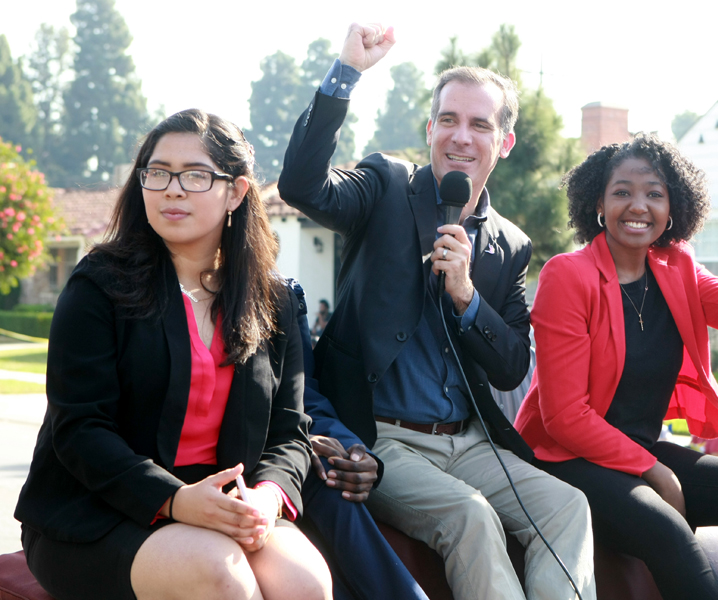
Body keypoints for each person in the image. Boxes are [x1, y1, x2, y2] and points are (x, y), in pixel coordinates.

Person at [278, 22, 595, 600]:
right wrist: (345, 74)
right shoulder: (385, 186)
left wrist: (467, 297)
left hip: (470, 443)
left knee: (567, 506)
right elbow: (302, 185)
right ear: (429, 130)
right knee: (471, 517)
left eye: (480, 124)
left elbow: (509, 367)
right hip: (383, 439)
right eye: (448, 119)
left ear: (505, 142)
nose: (460, 137)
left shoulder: (509, 244)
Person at [15, 109, 330, 600]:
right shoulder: (99, 285)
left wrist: (269, 498)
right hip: (97, 510)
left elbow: (291, 433)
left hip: (224, 506)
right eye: (158, 172)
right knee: (223, 579)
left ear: (236, 192)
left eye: (196, 175)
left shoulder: (274, 300)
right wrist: (176, 500)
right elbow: (79, 430)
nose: (173, 189)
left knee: (306, 583)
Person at [515, 134, 718, 600]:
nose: (637, 205)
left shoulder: (677, 265)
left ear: (672, 208)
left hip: (637, 452)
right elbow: (563, 416)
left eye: (654, 193)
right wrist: (655, 471)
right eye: (622, 191)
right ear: (598, 204)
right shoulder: (568, 275)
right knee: (667, 531)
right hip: (564, 461)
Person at [286, 280, 428, 600]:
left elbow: (305, 399)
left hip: (285, 460)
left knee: (333, 470)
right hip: (204, 472)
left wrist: (354, 451)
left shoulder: (279, 294)